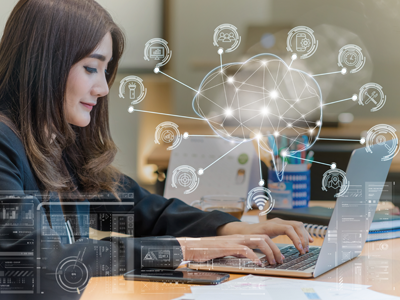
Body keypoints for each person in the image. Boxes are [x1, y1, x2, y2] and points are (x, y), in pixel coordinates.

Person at [0, 0, 312, 297]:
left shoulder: (57, 144)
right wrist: (183, 249)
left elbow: (142, 209)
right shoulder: (4, 147)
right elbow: (42, 264)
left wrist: (232, 229)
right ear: (44, 63)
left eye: (105, 70)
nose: (103, 88)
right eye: (91, 68)